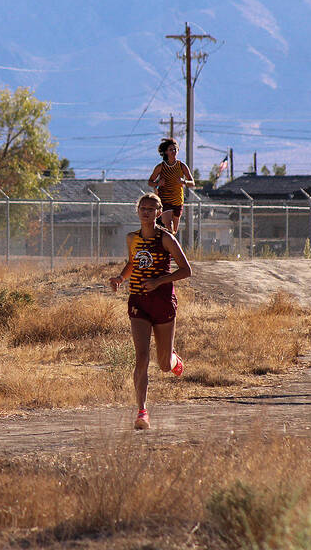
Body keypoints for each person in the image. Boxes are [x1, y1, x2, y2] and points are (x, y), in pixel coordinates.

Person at [108, 193, 191, 430]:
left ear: (159, 212)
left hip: (163, 301)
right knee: (142, 358)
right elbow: (134, 262)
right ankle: (142, 412)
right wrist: (120, 279)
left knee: (163, 364)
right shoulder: (131, 238)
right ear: (137, 211)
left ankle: (173, 358)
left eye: (151, 208)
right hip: (138, 301)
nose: (146, 212)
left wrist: (159, 281)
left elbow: (186, 270)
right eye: (142, 208)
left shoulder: (166, 239)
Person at [147, 138, 195, 234]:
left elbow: (192, 183)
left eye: (174, 149)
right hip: (165, 199)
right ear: (166, 152)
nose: (173, 151)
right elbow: (150, 182)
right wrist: (157, 184)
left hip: (177, 200)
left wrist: (183, 181)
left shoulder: (182, 166)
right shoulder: (161, 167)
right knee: (169, 225)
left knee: (174, 230)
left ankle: (168, 245)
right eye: (170, 149)